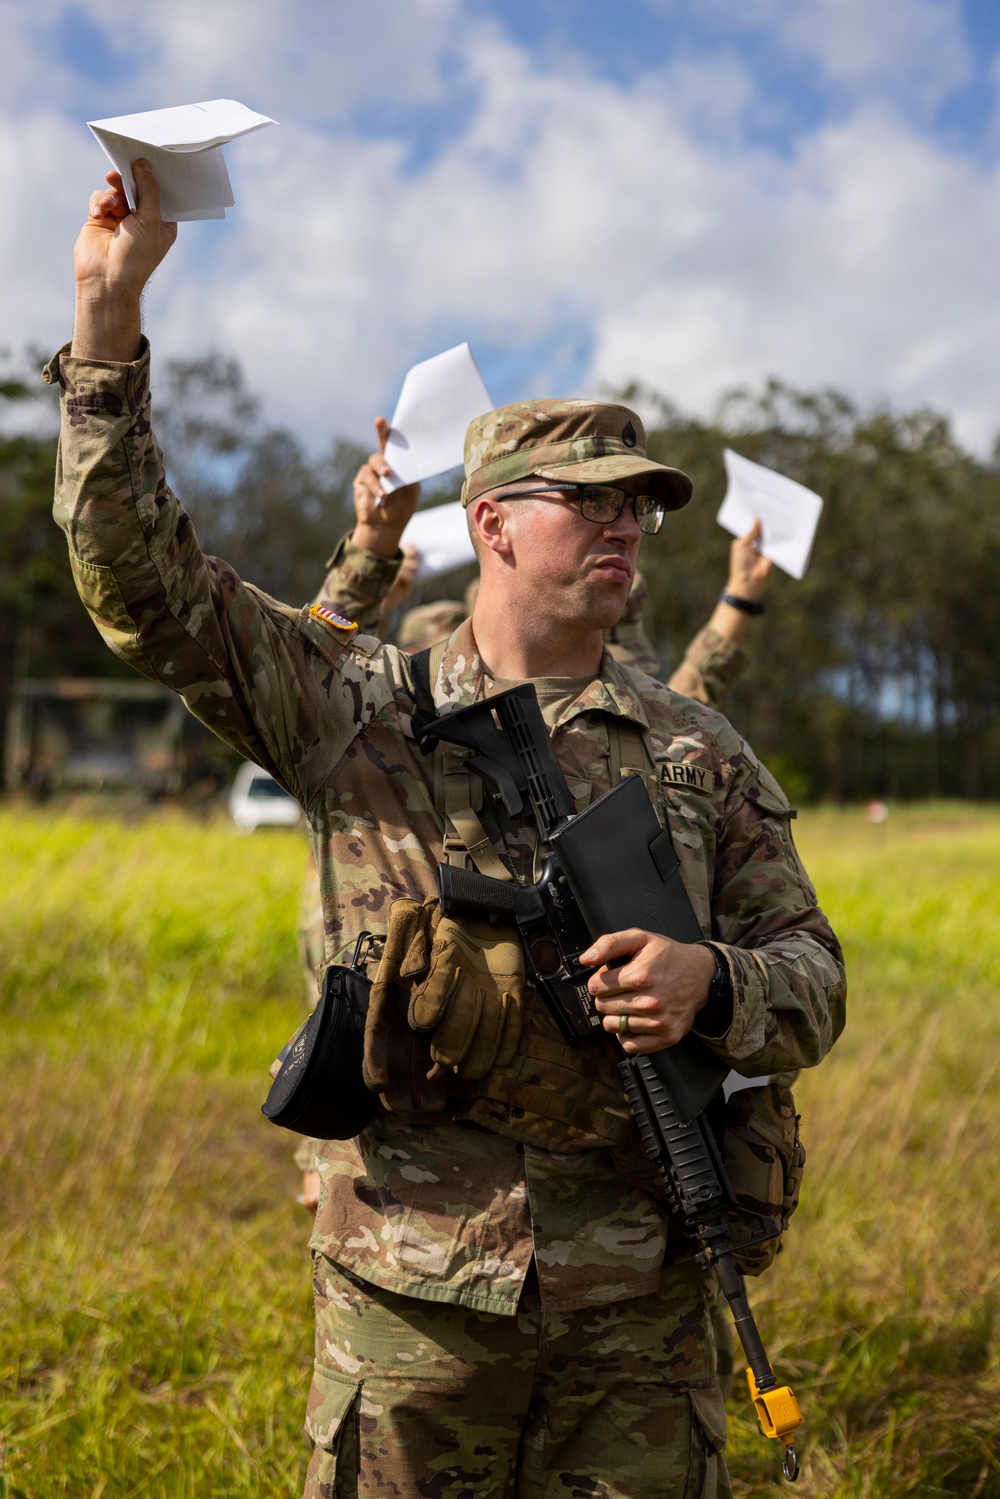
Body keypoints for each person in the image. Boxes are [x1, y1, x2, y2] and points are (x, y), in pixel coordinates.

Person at [53, 161, 845, 1498]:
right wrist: (107, 326)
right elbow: (145, 585)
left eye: (638, 505)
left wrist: (716, 982)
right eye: (587, 499)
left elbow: (814, 978)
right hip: (414, 1311)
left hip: (643, 1311)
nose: (624, 526)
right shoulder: (348, 710)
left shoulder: (697, 750)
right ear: (488, 524)